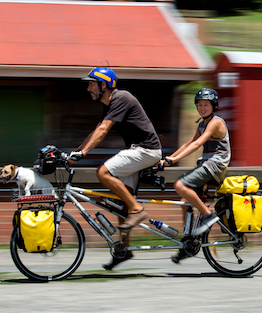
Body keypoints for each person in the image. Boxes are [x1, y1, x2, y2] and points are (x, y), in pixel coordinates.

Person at [67, 67, 162, 270]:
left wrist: (83, 154)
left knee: (103, 172)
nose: (88, 89)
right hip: (138, 150)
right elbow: (97, 130)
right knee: (122, 202)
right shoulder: (109, 104)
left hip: (147, 150)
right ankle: (124, 250)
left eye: (91, 84)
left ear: (104, 85)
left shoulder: (122, 97)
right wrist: (74, 155)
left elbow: (103, 129)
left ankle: (138, 210)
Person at [161, 88, 230, 244]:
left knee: (180, 185)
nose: (202, 108)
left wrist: (175, 160)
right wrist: (168, 159)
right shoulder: (202, 124)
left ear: (214, 106)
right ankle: (189, 241)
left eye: (206, 104)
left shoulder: (215, 122)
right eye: (199, 105)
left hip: (215, 166)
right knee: (185, 201)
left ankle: (208, 215)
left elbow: (198, 143)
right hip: (207, 165)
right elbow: (189, 143)